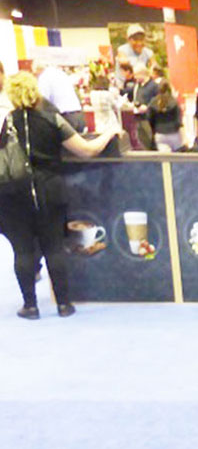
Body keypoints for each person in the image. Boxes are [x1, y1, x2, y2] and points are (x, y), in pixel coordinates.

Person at [0, 71, 115, 319]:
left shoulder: (5, 121)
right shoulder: (52, 119)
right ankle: (64, 304)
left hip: (14, 194)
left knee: (22, 250)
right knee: (53, 247)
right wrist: (108, 133)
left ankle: (30, 306)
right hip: (50, 190)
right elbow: (86, 150)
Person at [34, 61, 85, 132]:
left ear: (37, 70)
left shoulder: (44, 77)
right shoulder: (60, 73)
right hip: (78, 115)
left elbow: (42, 100)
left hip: (65, 118)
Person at [148, 80, 183, 152]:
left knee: (165, 160)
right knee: (177, 159)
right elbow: (179, 121)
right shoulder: (174, 102)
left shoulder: (153, 102)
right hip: (174, 133)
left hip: (160, 133)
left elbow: (149, 119)